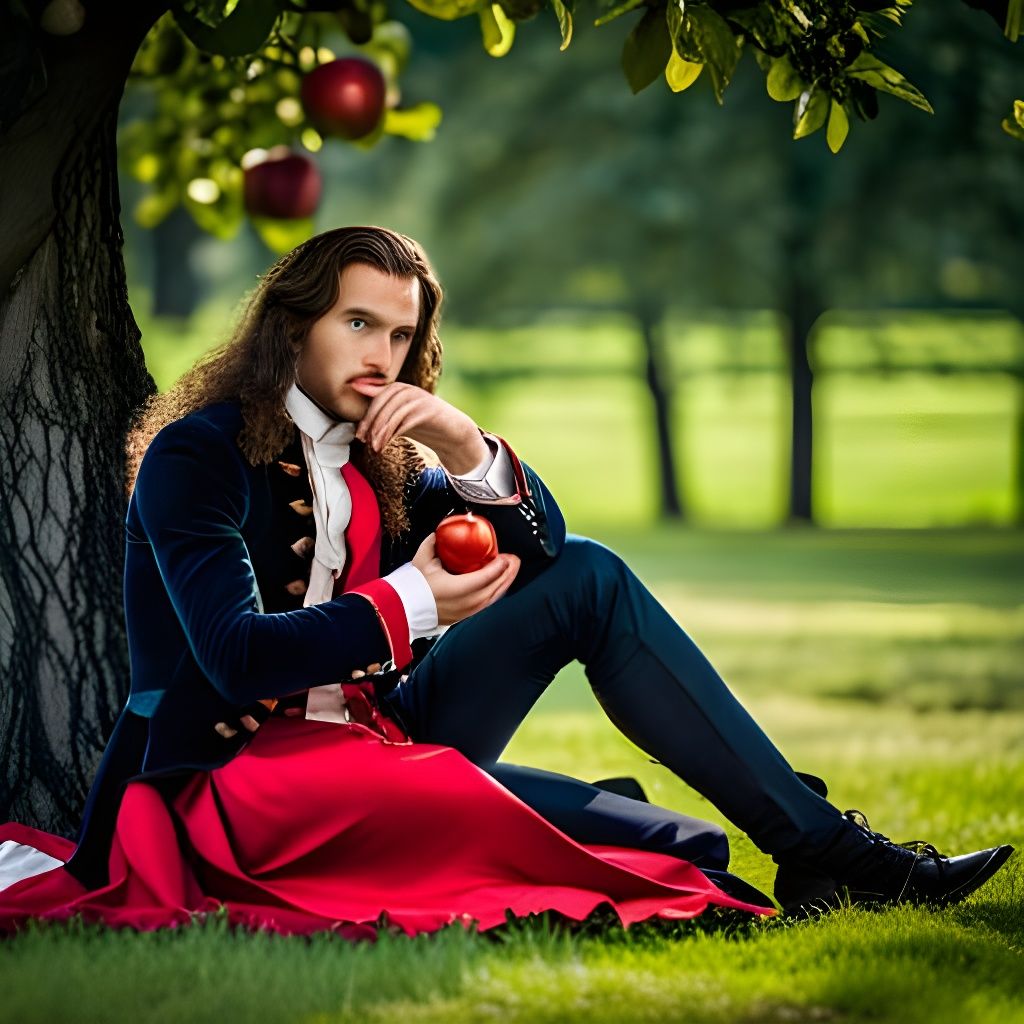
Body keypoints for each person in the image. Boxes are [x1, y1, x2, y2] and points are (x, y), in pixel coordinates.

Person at [0, 227, 1012, 936]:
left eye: (400, 334)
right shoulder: (199, 453)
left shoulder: (390, 457)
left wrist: (462, 438)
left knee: (591, 578)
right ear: (292, 325)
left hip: (377, 740)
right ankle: (711, 833)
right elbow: (231, 657)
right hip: (244, 781)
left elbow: (544, 547)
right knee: (685, 856)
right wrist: (415, 602)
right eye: (358, 324)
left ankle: (831, 850)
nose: (381, 354)